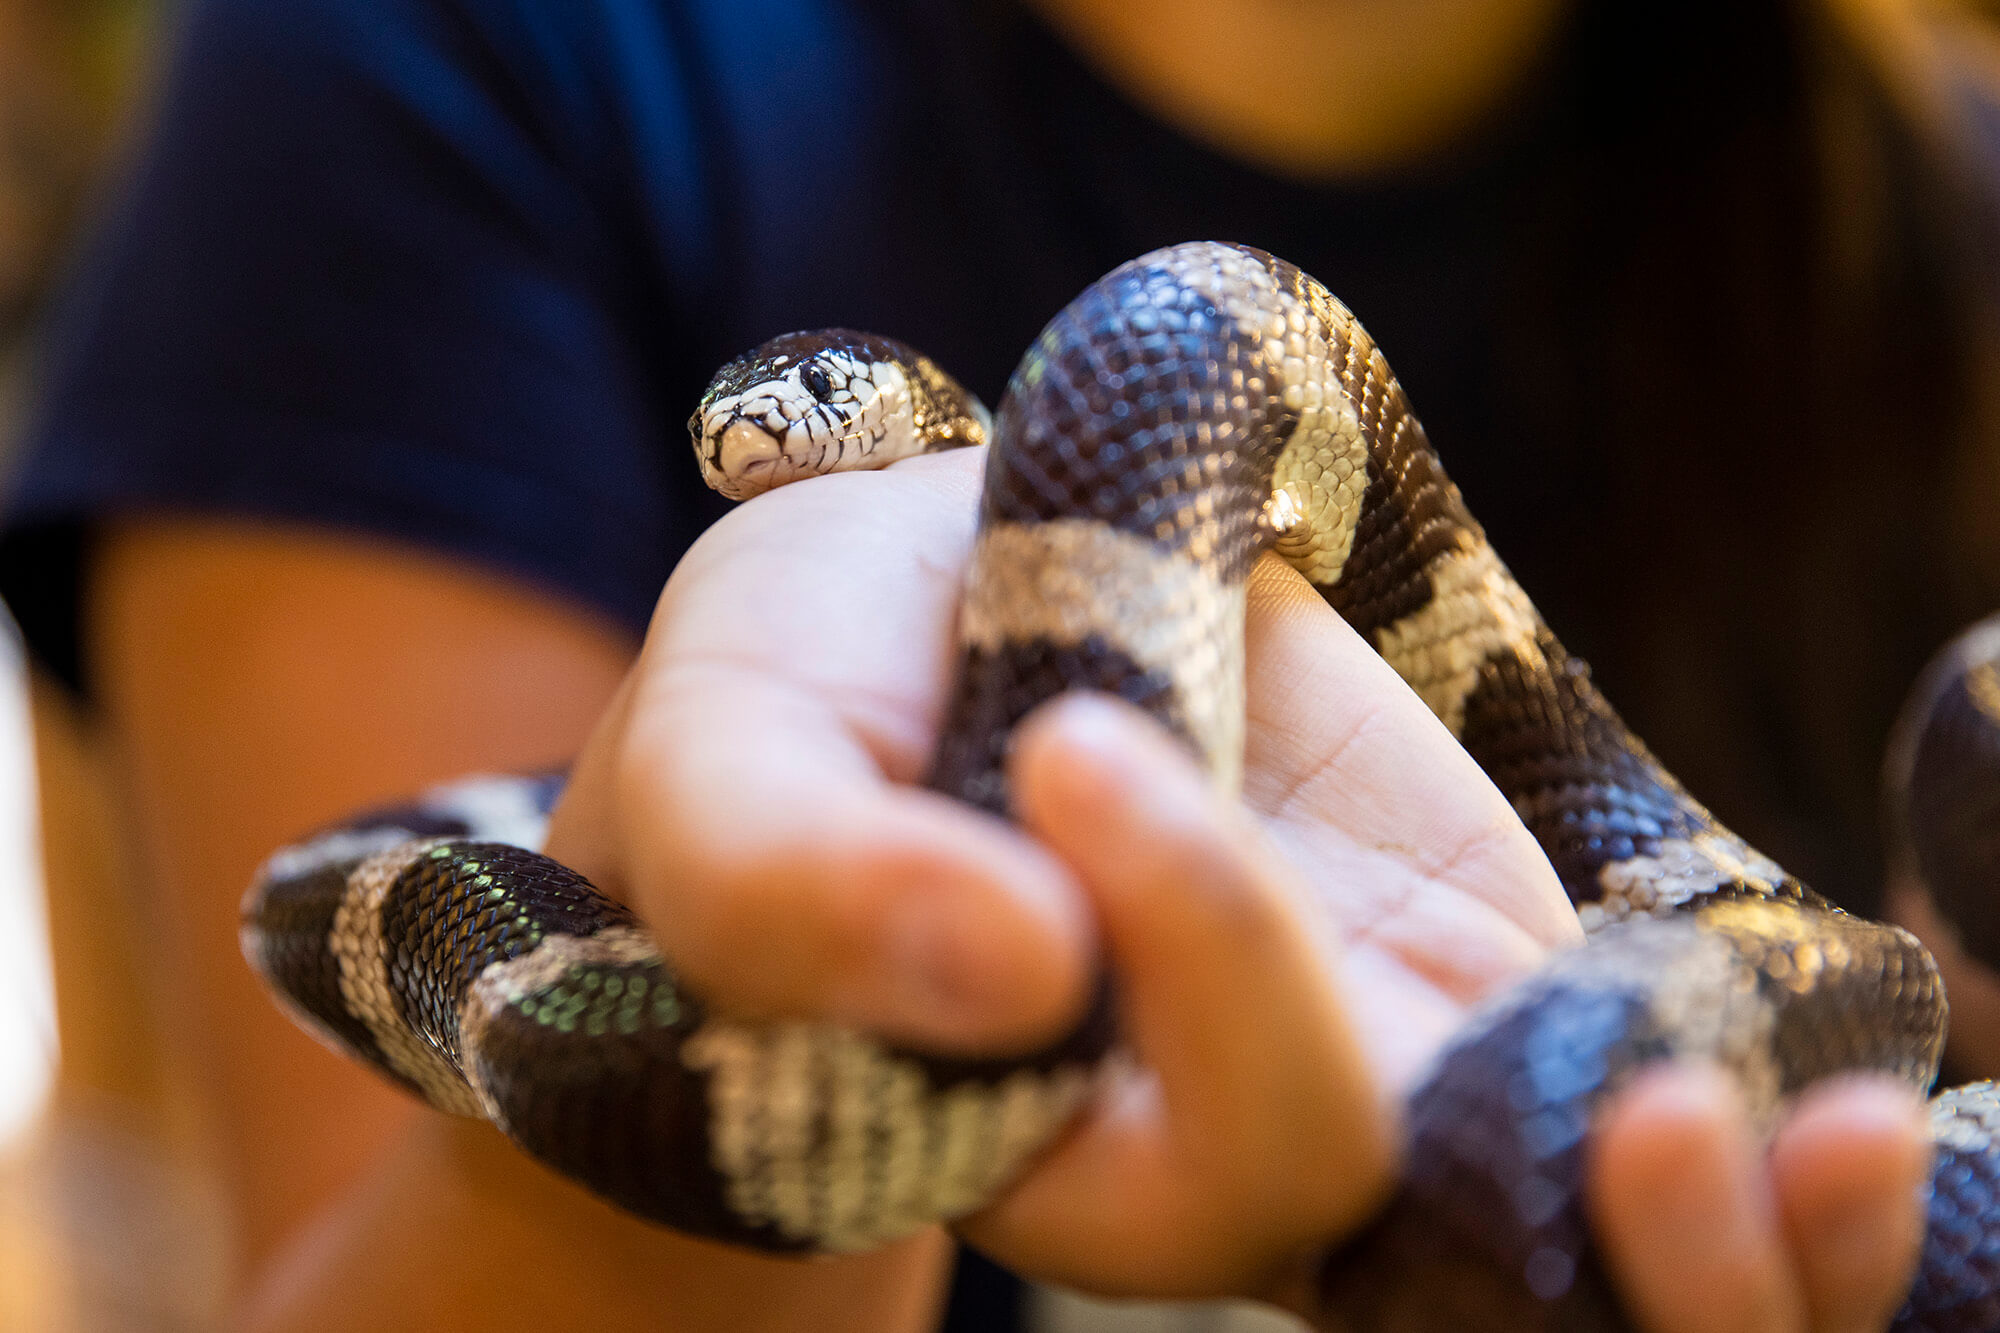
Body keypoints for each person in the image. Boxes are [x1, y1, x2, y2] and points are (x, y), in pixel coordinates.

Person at [0, 0, 1988, 1327]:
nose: (781, 431)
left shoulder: (1927, 216)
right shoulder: (445, 72)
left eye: (836, 392)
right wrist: (754, 970)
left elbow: (1894, 1017)